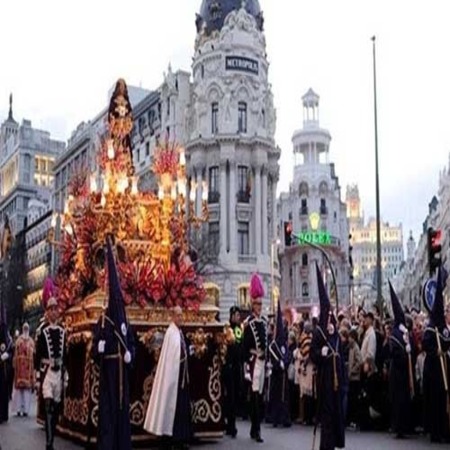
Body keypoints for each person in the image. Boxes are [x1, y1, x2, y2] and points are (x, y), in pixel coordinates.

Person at [93, 237, 135, 450]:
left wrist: (130, 355)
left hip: (122, 372)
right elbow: (94, 350)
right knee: (109, 409)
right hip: (109, 371)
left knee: (122, 408)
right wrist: (98, 349)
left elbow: (131, 343)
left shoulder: (125, 320)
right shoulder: (103, 321)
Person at [144, 306, 192, 449]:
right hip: (174, 379)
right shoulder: (171, 333)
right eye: (178, 315)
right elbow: (170, 360)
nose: (181, 318)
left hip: (181, 377)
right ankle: (170, 438)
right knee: (172, 408)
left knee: (181, 409)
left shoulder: (179, 332)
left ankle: (181, 438)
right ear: (172, 316)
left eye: (181, 315)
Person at [310, 264, 345, 450]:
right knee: (326, 413)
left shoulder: (335, 333)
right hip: (324, 379)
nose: (330, 317)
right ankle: (326, 446)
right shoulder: (317, 333)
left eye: (331, 314)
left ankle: (335, 443)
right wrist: (320, 354)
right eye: (328, 314)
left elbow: (340, 353)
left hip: (336, 379)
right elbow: (312, 355)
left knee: (335, 413)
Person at [35, 278, 67, 450]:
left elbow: (66, 354)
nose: (54, 312)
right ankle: (49, 443)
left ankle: (51, 436)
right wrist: (37, 377)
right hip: (47, 371)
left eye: (56, 309)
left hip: (59, 373)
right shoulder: (42, 332)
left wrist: (66, 372)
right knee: (48, 406)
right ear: (47, 312)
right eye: (51, 309)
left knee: (55, 409)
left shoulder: (63, 331)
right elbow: (37, 355)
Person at [422, 267, 450, 443]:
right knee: (434, 400)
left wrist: (445, 349)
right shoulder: (430, 329)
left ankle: (444, 429)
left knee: (443, 400)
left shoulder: (443, 328)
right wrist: (435, 352)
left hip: (444, 368)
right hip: (433, 369)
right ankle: (435, 432)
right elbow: (426, 345)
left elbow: (447, 341)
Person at [243, 273, 268, 443]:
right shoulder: (249, 323)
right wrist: (246, 366)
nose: (259, 306)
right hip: (253, 363)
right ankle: (256, 429)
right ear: (253, 305)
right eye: (257, 304)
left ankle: (255, 428)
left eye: (261, 303)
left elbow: (266, 342)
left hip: (263, 362)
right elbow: (245, 347)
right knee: (255, 397)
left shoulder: (264, 322)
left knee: (259, 396)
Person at [388, 282, 414, 439]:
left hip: (405, 373)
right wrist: (405, 353)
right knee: (398, 400)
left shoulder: (404, 332)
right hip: (397, 373)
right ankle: (398, 427)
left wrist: (409, 348)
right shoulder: (395, 334)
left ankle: (405, 426)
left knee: (405, 400)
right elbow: (395, 354)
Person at [268, 300, 291, 428]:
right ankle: (276, 418)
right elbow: (272, 359)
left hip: (284, 375)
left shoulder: (284, 344)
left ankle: (285, 418)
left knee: (285, 397)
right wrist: (278, 364)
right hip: (277, 376)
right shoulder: (273, 345)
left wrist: (285, 363)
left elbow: (288, 355)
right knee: (276, 396)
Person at [222, 306, 242, 438]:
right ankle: (230, 425)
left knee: (234, 397)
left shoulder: (239, 329)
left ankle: (231, 424)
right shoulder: (227, 329)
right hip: (229, 366)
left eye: (239, 315)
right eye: (237, 315)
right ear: (232, 315)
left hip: (236, 367)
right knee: (229, 397)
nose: (238, 317)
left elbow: (240, 345)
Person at [13, 322, 35, 417]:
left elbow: (34, 353)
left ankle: (26, 410)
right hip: (19, 368)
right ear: (23, 329)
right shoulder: (18, 340)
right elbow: (15, 354)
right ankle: (18, 409)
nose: (26, 329)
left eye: (27, 328)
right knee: (19, 391)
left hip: (28, 368)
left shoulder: (31, 341)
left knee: (26, 390)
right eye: (24, 328)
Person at [0, 298, 13, 424]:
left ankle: (2, 414)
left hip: (1, 365)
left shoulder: (3, 328)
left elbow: (9, 346)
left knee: (2, 389)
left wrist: (6, 354)